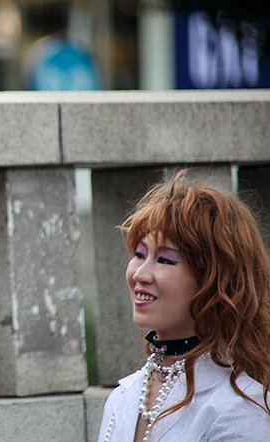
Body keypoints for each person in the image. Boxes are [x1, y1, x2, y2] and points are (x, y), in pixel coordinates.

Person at [98, 170, 270, 442]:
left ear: (213, 280)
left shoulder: (238, 406)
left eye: (165, 260)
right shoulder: (124, 396)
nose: (140, 274)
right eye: (139, 254)